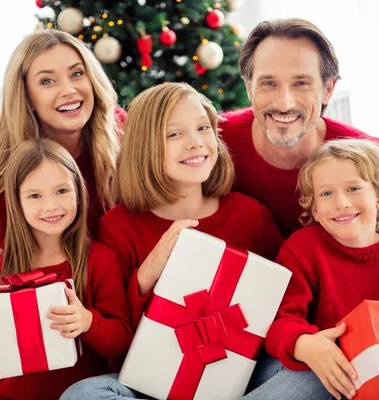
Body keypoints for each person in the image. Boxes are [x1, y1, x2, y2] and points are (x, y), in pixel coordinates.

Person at [61, 82, 287, 399]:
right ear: (144, 147)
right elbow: (117, 337)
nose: (195, 143)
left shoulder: (251, 215)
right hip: (152, 382)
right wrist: (147, 275)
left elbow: (282, 304)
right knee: (82, 395)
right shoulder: (119, 227)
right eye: (174, 134)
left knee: (303, 374)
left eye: (202, 127)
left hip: (240, 375)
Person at [218, 18, 379, 304]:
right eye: (268, 83)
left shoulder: (369, 158)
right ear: (249, 88)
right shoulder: (212, 142)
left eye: (301, 83)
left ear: (328, 89)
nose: (284, 102)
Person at [263, 139, 379, 400]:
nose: (341, 202)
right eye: (326, 193)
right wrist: (304, 344)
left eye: (353, 188)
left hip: (371, 375)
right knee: (318, 376)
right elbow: (277, 322)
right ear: (315, 209)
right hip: (307, 364)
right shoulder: (302, 249)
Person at [0, 29, 126, 301]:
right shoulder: (1, 176)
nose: (69, 90)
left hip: (115, 299)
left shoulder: (120, 133)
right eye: (47, 81)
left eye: (77, 74)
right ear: (27, 98)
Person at [0, 139, 132, 399]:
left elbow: (121, 338)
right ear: (17, 202)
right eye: (35, 195)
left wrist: (88, 321)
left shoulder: (100, 260)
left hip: (79, 392)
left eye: (62, 191)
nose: (51, 206)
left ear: (78, 192)